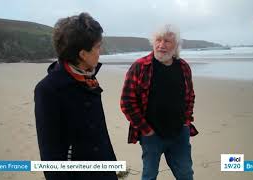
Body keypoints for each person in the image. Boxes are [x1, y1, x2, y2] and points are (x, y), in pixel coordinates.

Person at [34, 12, 118, 180]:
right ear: (82, 54)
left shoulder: (88, 77)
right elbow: (50, 153)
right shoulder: (48, 89)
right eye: (97, 47)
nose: (99, 52)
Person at [120, 24, 198, 180]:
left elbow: (190, 96)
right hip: (151, 135)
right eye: (158, 40)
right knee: (149, 175)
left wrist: (186, 122)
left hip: (179, 133)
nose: (161, 45)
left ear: (175, 46)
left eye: (167, 41)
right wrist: (146, 130)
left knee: (186, 174)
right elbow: (127, 102)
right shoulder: (140, 67)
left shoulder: (183, 67)